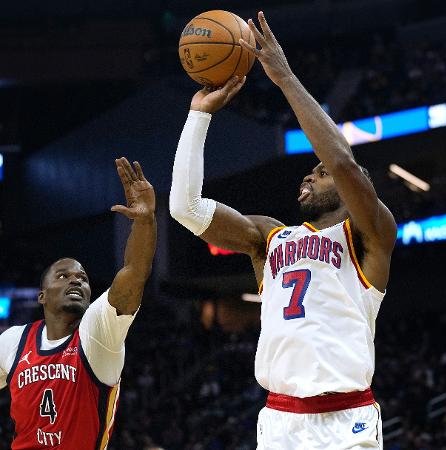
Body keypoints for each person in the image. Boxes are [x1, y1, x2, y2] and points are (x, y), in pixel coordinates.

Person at [170, 11, 396, 449]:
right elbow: (185, 208)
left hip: (345, 419)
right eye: (309, 173)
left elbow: (343, 162)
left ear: (354, 192)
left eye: (319, 173)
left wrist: (286, 78)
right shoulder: (271, 237)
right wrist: (198, 116)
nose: (309, 177)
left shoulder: (370, 235)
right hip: (279, 420)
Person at [0, 157, 157, 449]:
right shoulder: (13, 340)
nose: (76, 280)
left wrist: (145, 222)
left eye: (82, 277)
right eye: (63, 275)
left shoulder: (98, 333)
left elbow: (134, 275)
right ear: (42, 295)